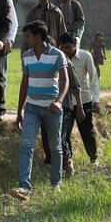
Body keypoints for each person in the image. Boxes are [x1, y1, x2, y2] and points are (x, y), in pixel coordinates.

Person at [11, 21, 69, 200]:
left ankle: (56, 183)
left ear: (38, 36)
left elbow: (65, 80)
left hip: (52, 108)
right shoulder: (27, 56)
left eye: (28, 36)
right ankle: (24, 187)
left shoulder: (57, 55)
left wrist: (59, 102)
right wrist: (19, 111)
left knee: (54, 146)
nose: (25, 39)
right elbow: (24, 83)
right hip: (32, 108)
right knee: (26, 145)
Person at [58, 32, 99, 173]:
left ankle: (93, 158)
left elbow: (93, 78)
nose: (65, 50)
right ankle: (69, 161)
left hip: (85, 100)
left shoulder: (85, 56)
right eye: (62, 47)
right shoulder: (59, 58)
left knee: (87, 130)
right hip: (67, 102)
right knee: (65, 133)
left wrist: (96, 100)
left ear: (75, 44)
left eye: (68, 47)